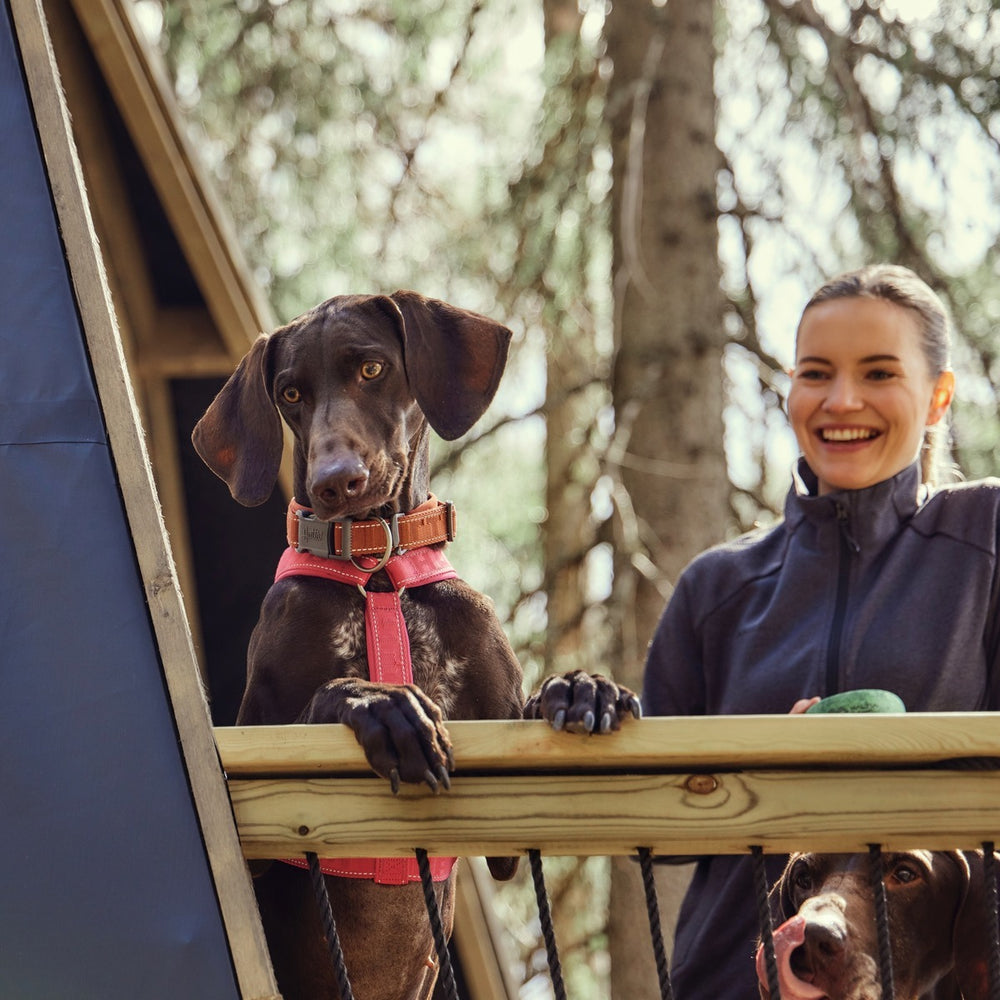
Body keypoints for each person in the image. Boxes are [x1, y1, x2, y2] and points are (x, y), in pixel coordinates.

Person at [641, 263, 1000, 999]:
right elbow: (662, 835)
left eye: (877, 373)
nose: (842, 401)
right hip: (729, 985)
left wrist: (876, 761)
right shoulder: (717, 587)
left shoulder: (987, 538)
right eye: (816, 373)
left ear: (937, 397)